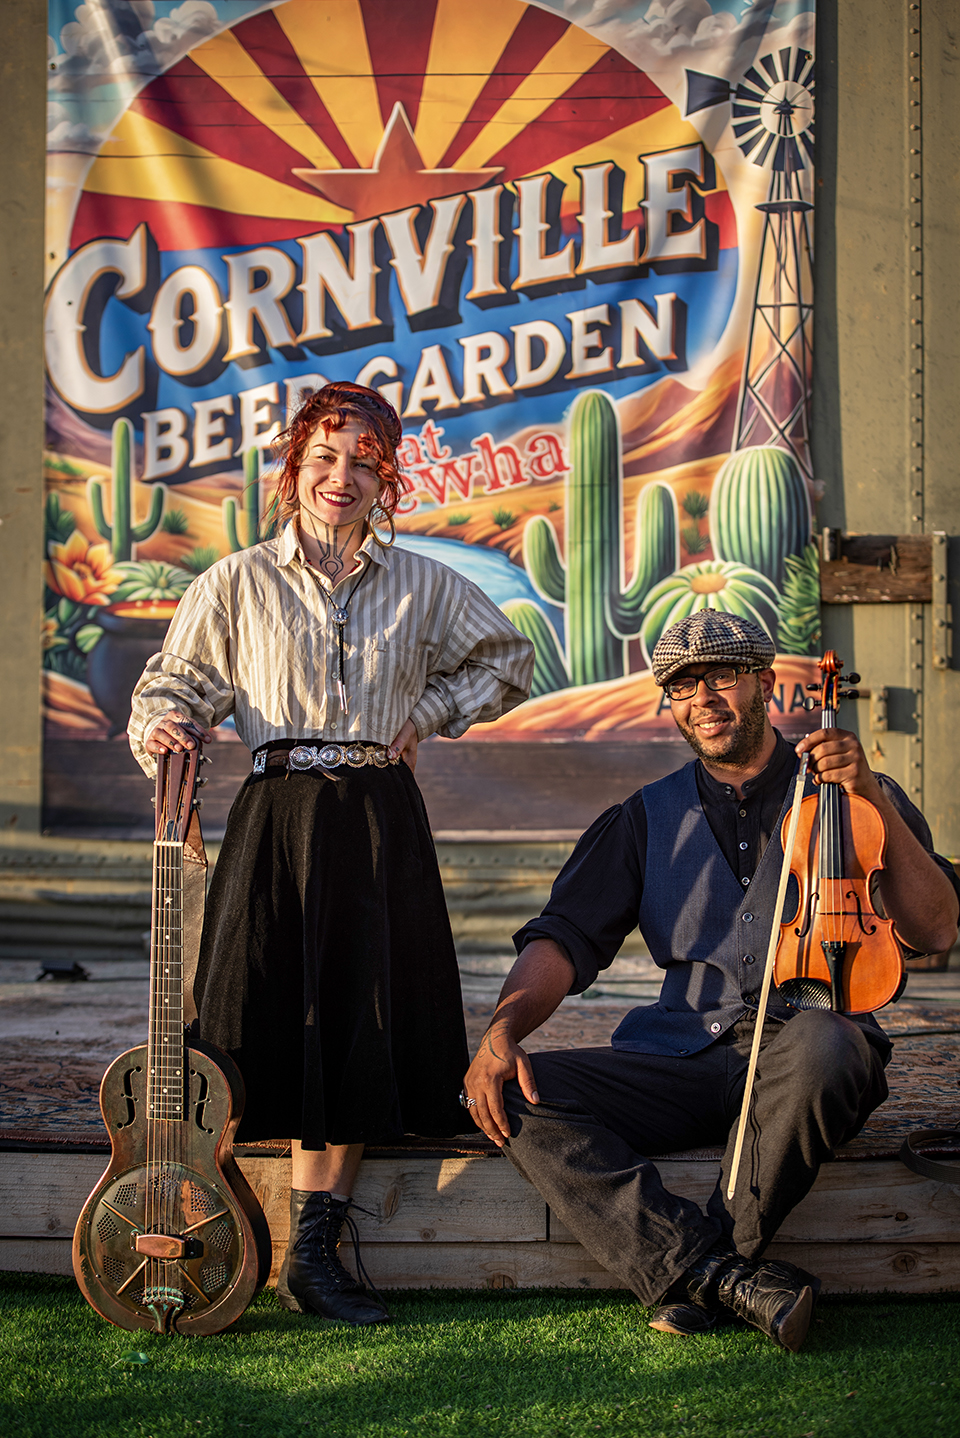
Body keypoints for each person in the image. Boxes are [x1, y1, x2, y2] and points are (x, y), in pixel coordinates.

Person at [128, 382, 533, 1326]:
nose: (341, 478)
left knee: (361, 1020)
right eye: (323, 459)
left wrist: (427, 714)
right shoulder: (233, 581)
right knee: (238, 1018)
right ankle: (205, 1228)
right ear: (293, 469)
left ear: (385, 478)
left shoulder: (424, 581)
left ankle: (314, 1250)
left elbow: (508, 661)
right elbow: (175, 683)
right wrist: (164, 729)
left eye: (363, 464)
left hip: (377, 820)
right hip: (274, 818)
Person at [461, 611, 959, 1351]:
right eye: (684, 686)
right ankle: (717, 1274)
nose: (704, 697)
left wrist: (876, 799)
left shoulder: (857, 794)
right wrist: (502, 1031)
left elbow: (937, 930)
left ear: (764, 683)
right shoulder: (643, 816)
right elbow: (562, 938)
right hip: (681, 1056)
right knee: (514, 1094)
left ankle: (691, 1264)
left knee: (828, 1040)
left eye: (721, 676)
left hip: (805, 1061)